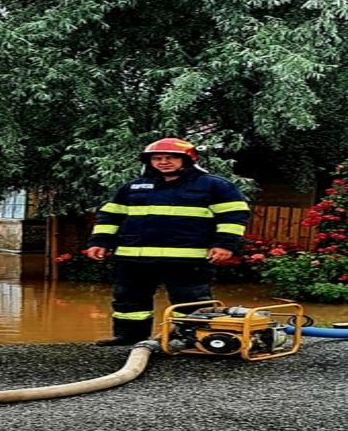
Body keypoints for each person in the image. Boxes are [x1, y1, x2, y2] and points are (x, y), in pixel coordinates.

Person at [85, 137, 250, 345]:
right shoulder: (134, 187)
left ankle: (189, 339)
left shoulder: (214, 186)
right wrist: (99, 242)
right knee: (129, 299)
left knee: (190, 301)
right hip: (133, 257)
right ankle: (130, 336)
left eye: (170, 157)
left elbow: (233, 216)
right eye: (157, 158)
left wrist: (224, 245)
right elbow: (110, 216)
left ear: (188, 159)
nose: (163, 162)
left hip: (187, 258)